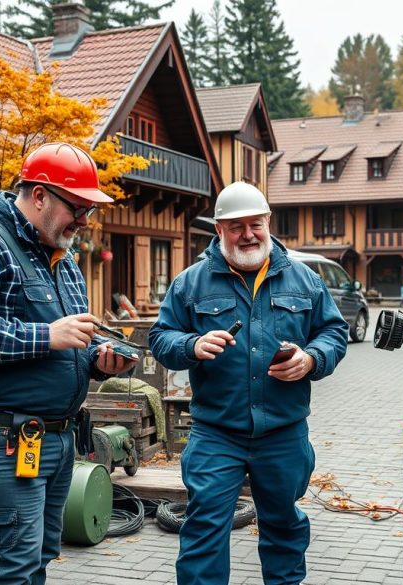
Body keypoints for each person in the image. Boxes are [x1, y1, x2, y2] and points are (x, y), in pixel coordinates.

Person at [0, 142, 136, 585]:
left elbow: (70, 343)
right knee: (12, 570)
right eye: (77, 208)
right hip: (4, 439)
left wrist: (98, 363)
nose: (83, 222)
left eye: (88, 211)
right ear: (39, 195)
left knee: (39, 559)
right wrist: (45, 336)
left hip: (57, 440)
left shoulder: (64, 259)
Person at [148, 182, 349, 585]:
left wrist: (312, 358)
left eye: (254, 224)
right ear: (219, 230)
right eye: (235, 226)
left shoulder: (304, 280)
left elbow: (334, 332)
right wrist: (192, 344)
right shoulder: (191, 283)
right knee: (203, 528)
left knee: (284, 527)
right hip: (216, 432)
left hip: (283, 431)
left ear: (268, 223)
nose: (248, 234)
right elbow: (160, 338)